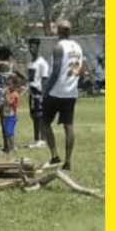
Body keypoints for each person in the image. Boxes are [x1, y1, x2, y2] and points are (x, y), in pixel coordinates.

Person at [41, 19, 85, 171]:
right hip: (71, 92)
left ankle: (54, 156)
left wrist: (46, 89)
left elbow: (56, 71)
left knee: (44, 122)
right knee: (69, 126)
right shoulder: (78, 47)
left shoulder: (59, 47)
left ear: (58, 31)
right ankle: (67, 162)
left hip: (56, 91)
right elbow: (79, 69)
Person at [0, 47, 21, 154]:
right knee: (10, 119)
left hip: (0, 95)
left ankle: (7, 147)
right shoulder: (12, 66)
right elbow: (22, 77)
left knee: (3, 121)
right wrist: (17, 86)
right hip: (11, 95)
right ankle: (11, 145)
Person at [26, 37, 49, 148]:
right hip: (31, 92)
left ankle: (42, 140)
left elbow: (44, 79)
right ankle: (36, 139)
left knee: (40, 116)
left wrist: (42, 95)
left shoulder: (42, 63)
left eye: (34, 47)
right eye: (30, 47)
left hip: (38, 92)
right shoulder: (31, 63)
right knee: (33, 115)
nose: (32, 50)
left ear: (38, 48)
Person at [3, 77, 20, 154]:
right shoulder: (9, 94)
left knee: (10, 132)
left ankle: (12, 147)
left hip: (12, 115)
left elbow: (10, 103)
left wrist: (5, 95)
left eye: (9, 85)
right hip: (6, 114)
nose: (7, 86)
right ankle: (10, 146)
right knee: (7, 132)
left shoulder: (15, 94)